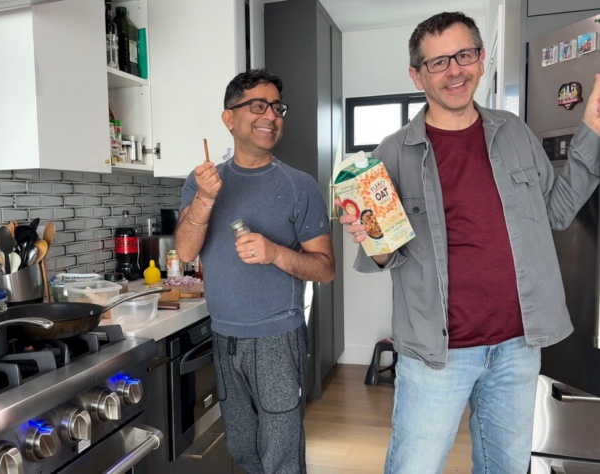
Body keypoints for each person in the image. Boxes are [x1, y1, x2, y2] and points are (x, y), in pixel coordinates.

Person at [339, 11, 600, 474]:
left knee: (505, 467)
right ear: (417, 76)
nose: (454, 71)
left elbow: (556, 213)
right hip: (436, 354)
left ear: (480, 60)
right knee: (414, 468)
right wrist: (369, 237)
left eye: (463, 55)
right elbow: (385, 253)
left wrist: (593, 131)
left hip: (517, 345)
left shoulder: (514, 132)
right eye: (438, 62)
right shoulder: (392, 153)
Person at [175, 68, 336, 473]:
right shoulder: (202, 182)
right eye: (258, 106)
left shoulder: (299, 185)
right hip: (223, 335)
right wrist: (205, 199)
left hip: (277, 339)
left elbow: (325, 269)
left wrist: (276, 253)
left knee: (281, 457)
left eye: (277, 108)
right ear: (229, 118)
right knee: (243, 449)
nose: (271, 116)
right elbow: (186, 250)